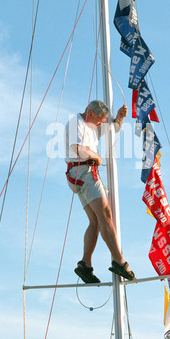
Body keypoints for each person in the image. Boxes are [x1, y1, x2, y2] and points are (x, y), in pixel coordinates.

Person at [64, 100, 136, 284]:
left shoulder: (92, 124)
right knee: (106, 214)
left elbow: (113, 130)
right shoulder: (77, 123)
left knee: (95, 221)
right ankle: (120, 261)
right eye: (99, 121)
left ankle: (85, 265)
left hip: (81, 174)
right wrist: (96, 156)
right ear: (91, 114)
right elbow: (77, 148)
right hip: (84, 172)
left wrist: (118, 119)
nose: (100, 125)